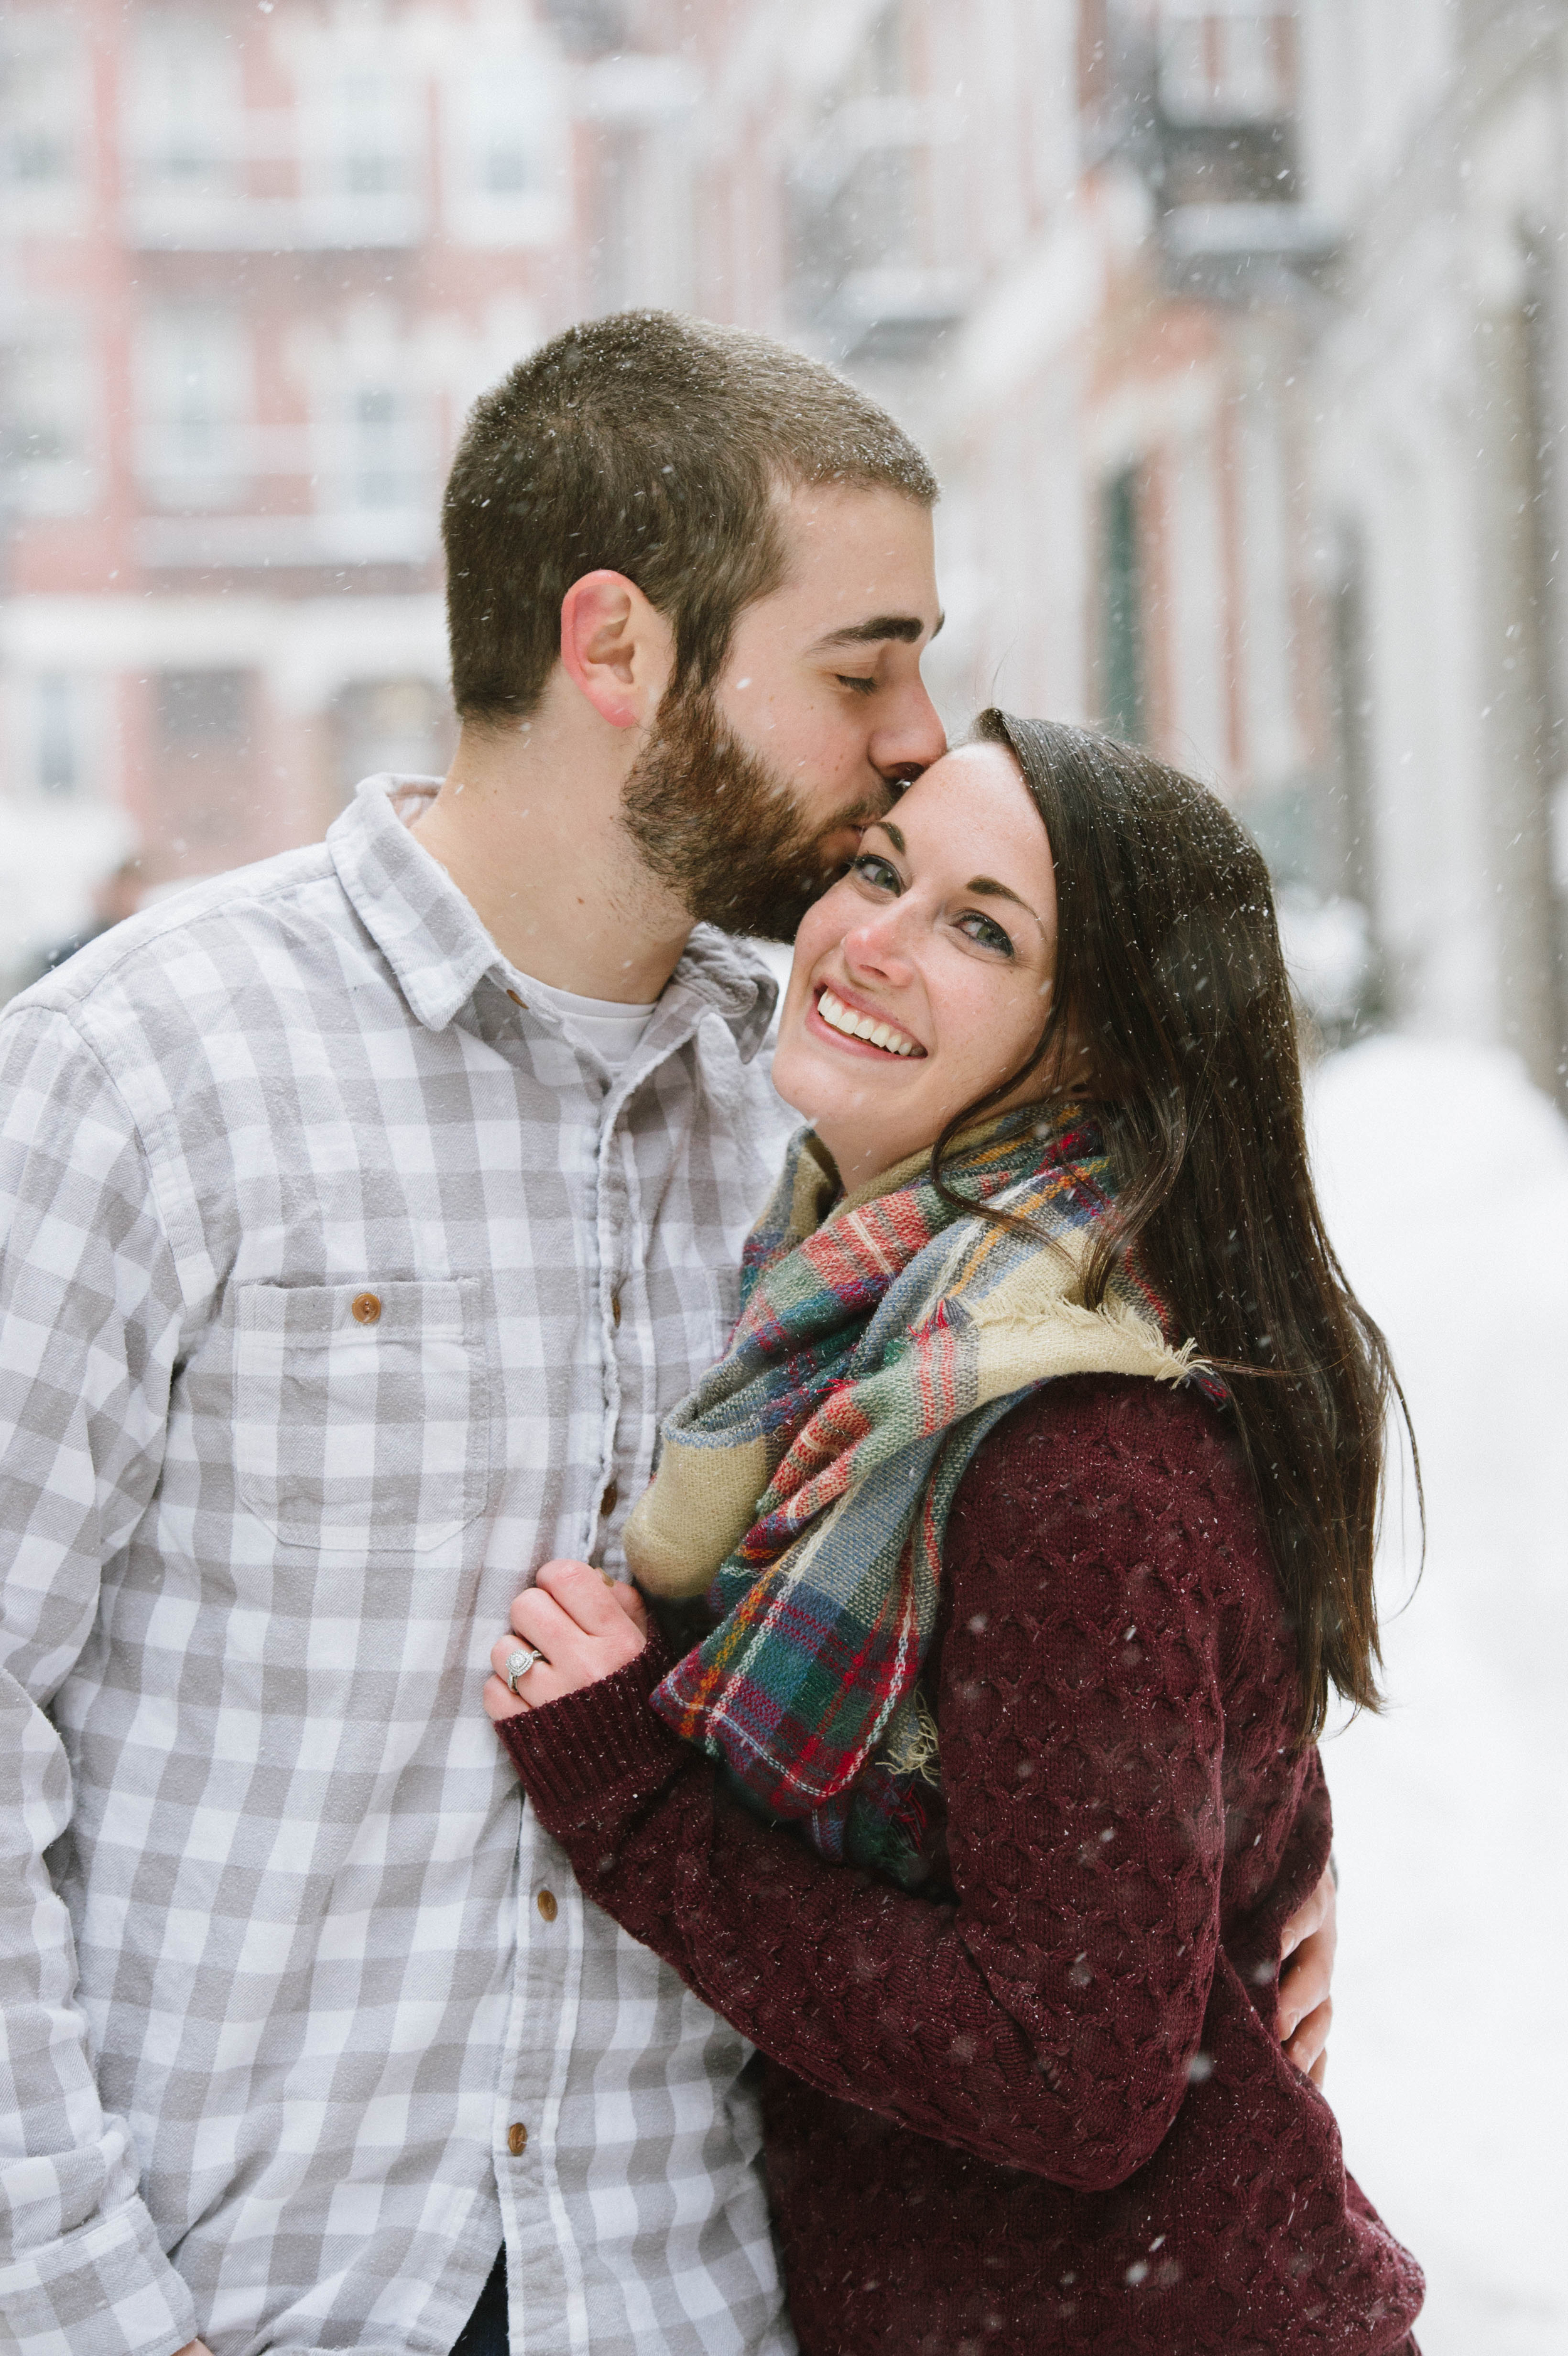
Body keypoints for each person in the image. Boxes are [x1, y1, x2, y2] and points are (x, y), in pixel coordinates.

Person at [0, 310, 1332, 2356]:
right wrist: (82, 2308)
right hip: (246, 2293)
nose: (915, 730)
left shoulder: (841, 1126)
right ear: (615, 647)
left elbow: (1117, 1512)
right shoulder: (148, 1073)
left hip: (688, 2296)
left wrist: (1249, 1858)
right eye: (859, 662)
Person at [484, 716, 1424, 2353]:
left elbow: (1073, 2074)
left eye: (980, 926)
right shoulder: (883, 1331)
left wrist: (634, 1804)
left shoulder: (1062, 1434)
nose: (872, 941)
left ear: (1099, 1046)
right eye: (878, 868)